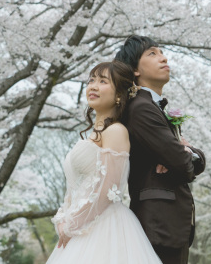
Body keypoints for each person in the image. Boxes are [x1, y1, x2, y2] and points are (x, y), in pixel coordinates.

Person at [46, 61, 162, 264]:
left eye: (102, 81)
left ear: (119, 94)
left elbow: (106, 188)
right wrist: (63, 217)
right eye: (91, 80)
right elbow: (74, 187)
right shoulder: (92, 135)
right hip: (81, 226)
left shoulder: (116, 131)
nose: (93, 86)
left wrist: (72, 224)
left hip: (105, 227)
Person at [115, 35, 206, 264]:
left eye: (162, 52)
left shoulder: (152, 106)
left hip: (166, 225)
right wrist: (182, 154)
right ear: (135, 69)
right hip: (159, 226)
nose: (163, 58)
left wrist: (187, 152)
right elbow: (184, 166)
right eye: (152, 53)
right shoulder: (142, 108)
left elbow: (189, 159)